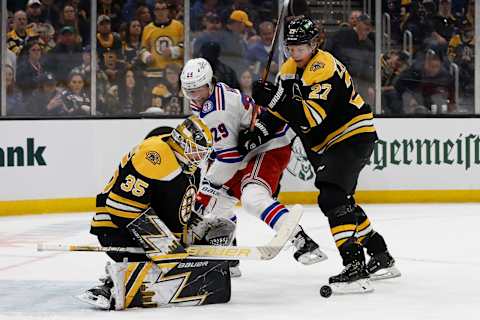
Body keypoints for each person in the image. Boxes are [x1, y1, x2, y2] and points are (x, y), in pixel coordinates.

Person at [238, 17, 400, 293]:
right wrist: (260, 130)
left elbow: (312, 116)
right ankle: (380, 255)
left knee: (332, 196)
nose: (295, 52)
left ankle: (355, 267)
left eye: (300, 46)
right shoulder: (289, 69)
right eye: (291, 46)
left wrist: (274, 98)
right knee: (341, 200)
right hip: (325, 144)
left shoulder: (324, 67)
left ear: (315, 44)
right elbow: (280, 115)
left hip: (351, 135)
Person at [180, 58, 327, 277]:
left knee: (252, 198)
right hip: (247, 149)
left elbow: (228, 159)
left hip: (268, 146)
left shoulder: (217, 110)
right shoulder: (210, 98)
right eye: (190, 91)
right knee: (219, 204)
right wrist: (209, 191)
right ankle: (229, 259)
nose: (195, 96)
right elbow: (225, 151)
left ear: (209, 83)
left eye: (199, 90)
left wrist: (206, 189)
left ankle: (302, 241)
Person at [80, 116, 232, 310]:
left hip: (142, 221)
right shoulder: (155, 155)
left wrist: (188, 243)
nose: (198, 157)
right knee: (171, 258)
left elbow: (177, 215)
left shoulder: (190, 169)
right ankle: (111, 286)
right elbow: (121, 207)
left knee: (219, 229)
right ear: (181, 142)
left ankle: (141, 275)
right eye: (195, 151)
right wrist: (168, 250)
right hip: (114, 228)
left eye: (202, 153)